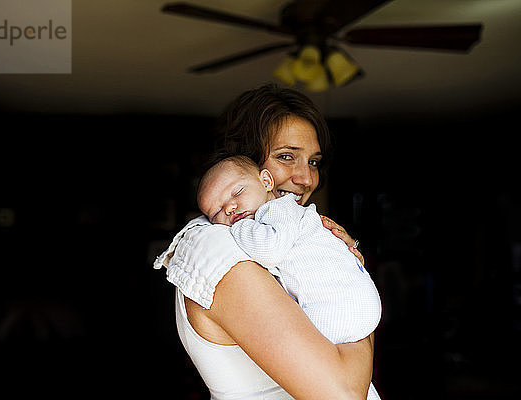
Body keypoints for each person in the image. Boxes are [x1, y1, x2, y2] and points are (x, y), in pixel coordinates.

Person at [154, 84, 376, 399]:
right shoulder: (219, 250)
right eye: (286, 156)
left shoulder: (270, 240)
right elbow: (344, 395)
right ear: (247, 163)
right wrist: (351, 283)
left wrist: (338, 262)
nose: (306, 178)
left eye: (313, 161)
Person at [196, 155, 381, 398]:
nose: (229, 208)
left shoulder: (279, 210)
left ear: (265, 181)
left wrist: (238, 228)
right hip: (356, 312)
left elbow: (270, 250)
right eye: (216, 212)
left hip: (343, 310)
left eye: (237, 193)